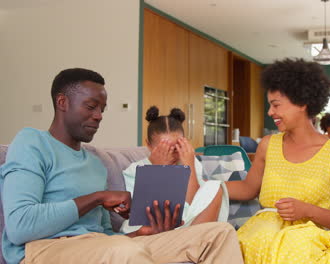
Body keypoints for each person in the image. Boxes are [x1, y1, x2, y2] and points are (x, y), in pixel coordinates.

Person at [0, 68, 243, 264]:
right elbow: (20, 226)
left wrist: (139, 235)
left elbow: (104, 233)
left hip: (100, 245)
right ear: (62, 102)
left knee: (218, 234)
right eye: (91, 106)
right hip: (45, 250)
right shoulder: (32, 142)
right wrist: (98, 198)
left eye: (102, 109)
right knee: (122, 250)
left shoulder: (94, 164)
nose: (99, 116)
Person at [226, 58, 330, 264]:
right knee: (252, 241)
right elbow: (248, 188)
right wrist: (205, 186)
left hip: (306, 236)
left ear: (303, 104)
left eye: (276, 105)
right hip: (262, 231)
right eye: (270, 105)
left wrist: (307, 211)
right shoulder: (268, 145)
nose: (270, 112)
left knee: (292, 247)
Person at [119, 106, 229, 233]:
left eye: (176, 149)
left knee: (215, 186)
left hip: (187, 222)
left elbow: (195, 203)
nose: (171, 155)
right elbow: (145, 211)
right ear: (148, 145)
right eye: (164, 149)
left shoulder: (188, 162)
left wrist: (189, 166)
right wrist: (158, 169)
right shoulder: (135, 170)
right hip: (152, 226)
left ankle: (192, 239)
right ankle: (193, 240)